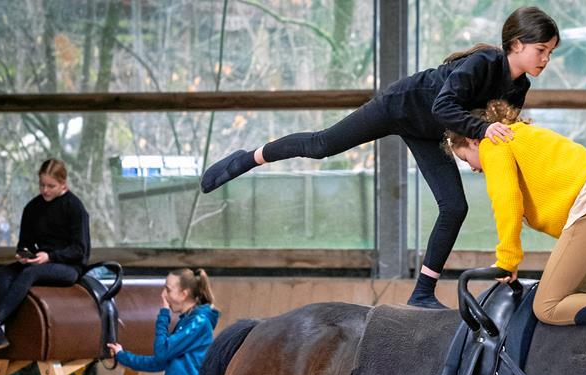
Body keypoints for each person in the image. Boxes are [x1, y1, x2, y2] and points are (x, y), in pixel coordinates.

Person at [200, 6, 560, 310]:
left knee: (454, 207)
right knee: (322, 145)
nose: (545, 59)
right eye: (541, 50)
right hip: (399, 106)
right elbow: (444, 105)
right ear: (516, 44)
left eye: (550, 53)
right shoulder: (483, 63)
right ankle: (248, 158)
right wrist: (480, 133)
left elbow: (498, 131)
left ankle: (422, 293)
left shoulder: (519, 87)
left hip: (430, 131)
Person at [444, 101, 586, 327]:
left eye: (465, 159)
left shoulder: (493, 143)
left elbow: (507, 201)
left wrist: (507, 259)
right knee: (584, 305)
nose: (473, 168)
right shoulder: (521, 134)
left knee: (548, 307)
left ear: (472, 140)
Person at [0, 158, 90, 353]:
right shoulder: (32, 208)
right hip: (38, 261)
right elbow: (24, 241)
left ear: (63, 184)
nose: (45, 190)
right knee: (2, 273)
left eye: (51, 186)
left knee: (29, 274)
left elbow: (81, 250)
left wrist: (50, 256)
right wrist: (24, 254)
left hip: (69, 267)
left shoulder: (75, 208)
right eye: (42, 185)